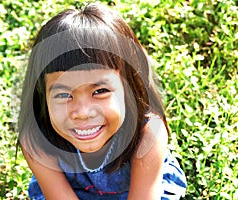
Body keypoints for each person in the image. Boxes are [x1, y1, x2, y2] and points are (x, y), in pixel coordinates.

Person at [18, 2, 187, 200]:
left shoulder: (148, 134)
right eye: (63, 95)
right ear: (42, 96)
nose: (82, 112)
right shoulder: (36, 139)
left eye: (100, 91)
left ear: (129, 89)